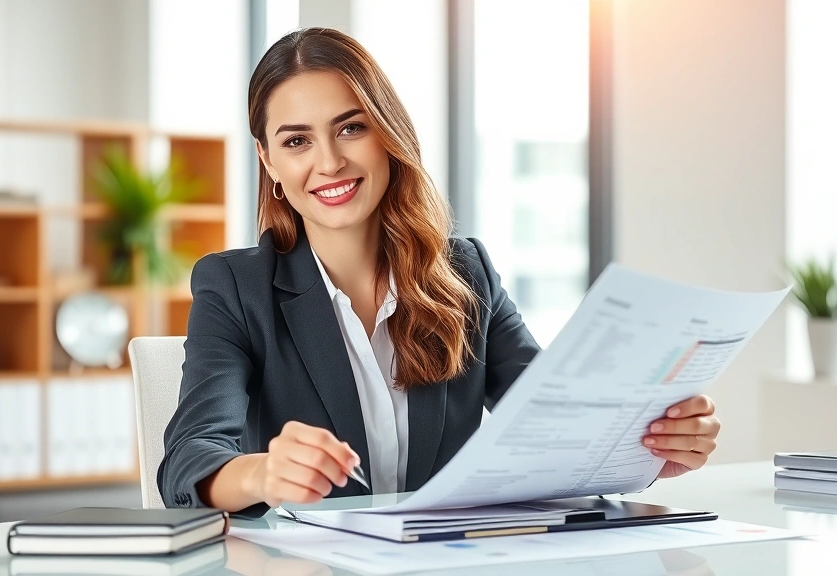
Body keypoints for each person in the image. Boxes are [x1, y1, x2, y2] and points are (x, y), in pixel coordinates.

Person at [158, 27, 720, 516]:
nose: (328, 162)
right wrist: (261, 474)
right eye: (297, 140)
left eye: (351, 128)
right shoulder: (235, 286)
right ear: (270, 162)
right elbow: (190, 457)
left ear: (388, 134)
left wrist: (645, 451)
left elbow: (553, 424)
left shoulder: (466, 273)